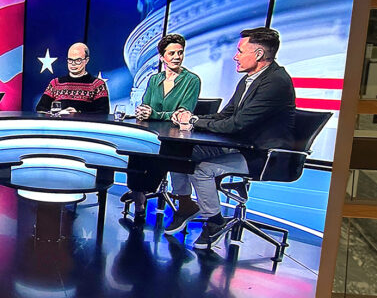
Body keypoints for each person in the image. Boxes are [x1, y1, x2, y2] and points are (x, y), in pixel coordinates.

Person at [168, 27, 296, 250]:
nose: (235, 56)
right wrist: (193, 117)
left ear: (257, 54)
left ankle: (215, 222)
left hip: (262, 154)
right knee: (178, 152)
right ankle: (185, 205)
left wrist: (195, 122)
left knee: (202, 169)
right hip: (239, 145)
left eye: (240, 51)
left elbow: (237, 124)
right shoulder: (251, 79)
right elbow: (227, 114)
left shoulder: (276, 82)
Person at [122, 34, 202, 223]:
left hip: (175, 136)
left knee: (159, 154)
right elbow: (146, 104)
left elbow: (183, 113)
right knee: (136, 151)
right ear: (162, 57)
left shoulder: (191, 80)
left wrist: (155, 114)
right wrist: (142, 112)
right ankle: (138, 198)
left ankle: (146, 191)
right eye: (172, 53)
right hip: (151, 132)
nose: (177, 57)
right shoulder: (153, 79)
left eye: (180, 53)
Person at [35, 43, 109, 114]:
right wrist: (58, 114)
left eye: (78, 60)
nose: (73, 64)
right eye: (70, 60)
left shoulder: (97, 85)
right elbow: (40, 109)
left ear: (86, 60)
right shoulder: (55, 83)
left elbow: (103, 113)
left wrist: (78, 114)